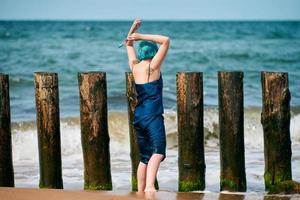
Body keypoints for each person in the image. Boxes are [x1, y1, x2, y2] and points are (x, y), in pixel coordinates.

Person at [125, 19, 170, 192]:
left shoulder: (135, 67)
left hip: (139, 116)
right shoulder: (153, 66)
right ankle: (150, 187)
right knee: (158, 151)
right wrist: (141, 35)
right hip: (152, 116)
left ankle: (140, 190)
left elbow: (128, 44)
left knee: (144, 157)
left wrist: (133, 30)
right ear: (153, 52)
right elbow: (166, 40)